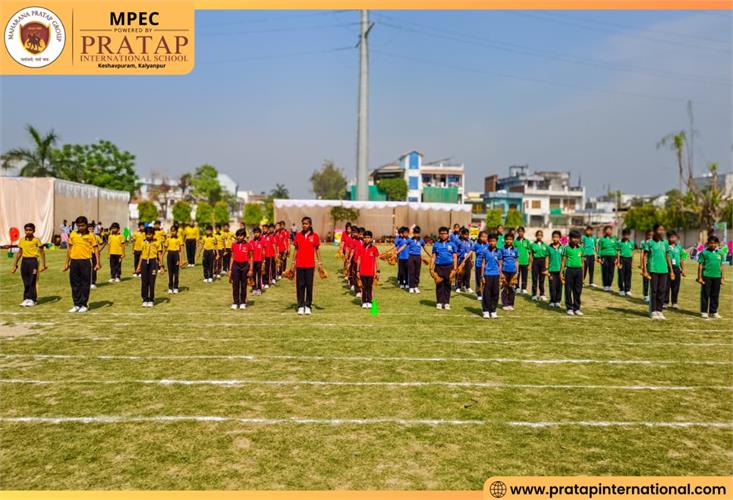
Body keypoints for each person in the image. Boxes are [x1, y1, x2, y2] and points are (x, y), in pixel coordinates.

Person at [62, 216, 100, 313]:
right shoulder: (73, 234)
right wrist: (67, 263)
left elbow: (96, 249)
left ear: (86, 225)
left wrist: (97, 263)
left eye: (82, 225)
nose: (80, 228)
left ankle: (84, 304)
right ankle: (76, 304)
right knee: (74, 284)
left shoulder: (91, 235)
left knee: (85, 284)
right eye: (78, 226)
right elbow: (69, 249)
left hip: (86, 262)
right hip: (74, 262)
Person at [11, 223, 47, 307]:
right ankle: (26, 298)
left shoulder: (36, 240)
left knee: (32, 281)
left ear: (33, 231)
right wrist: (15, 264)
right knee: (26, 281)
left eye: (30, 230)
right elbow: (19, 253)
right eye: (26, 230)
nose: (28, 232)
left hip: (33, 262)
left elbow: (42, 252)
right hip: (24, 262)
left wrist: (43, 264)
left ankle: (33, 299)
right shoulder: (22, 240)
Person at [642, 223, 673, 320]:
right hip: (653, 270)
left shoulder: (665, 243)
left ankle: (659, 311)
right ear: (655, 231)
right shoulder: (649, 242)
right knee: (654, 291)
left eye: (663, 230)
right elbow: (645, 256)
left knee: (662, 291)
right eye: (659, 229)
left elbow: (667, 256)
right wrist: (645, 270)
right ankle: (653, 311)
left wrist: (671, 270)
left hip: (664, 270)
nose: (661, 232)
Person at [293, 216, 321, 315]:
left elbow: (317, 249)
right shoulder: (298, 235)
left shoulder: (315, 236)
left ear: (310, 225)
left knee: (309, 286)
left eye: (306, 223)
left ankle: (308, 306)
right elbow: (296, 249)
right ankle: (301, 306)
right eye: (303, 223)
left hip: (310, 265)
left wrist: (320, 262)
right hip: (300, 264)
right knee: (300, 286)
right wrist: (293, 262)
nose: (304, 225)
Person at [135, 226, 163, 307]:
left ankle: (151, 299)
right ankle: (145, 299)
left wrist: (161, 266)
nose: (148, 236)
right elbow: (141, 255)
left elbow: (159, 254)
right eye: (147, 234)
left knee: (152, 281)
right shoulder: (143, 242)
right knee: (144, 281)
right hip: (144, 262)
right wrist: (139, 266)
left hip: (153, 262)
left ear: (153, 234)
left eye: (150, 234)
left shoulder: (157, 243)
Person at [697, 236, 724, 319]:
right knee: (705, 294)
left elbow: (721, 266)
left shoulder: (720, 253)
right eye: (711, 243)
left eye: (715, 243)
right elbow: (700, 265)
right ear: (708, 243)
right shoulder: (704, 253)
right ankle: (704, 312)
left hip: (717, 277)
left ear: (717, 244)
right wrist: (699, 277)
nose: (713, 245)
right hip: (707, 276)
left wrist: (722, 277)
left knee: (715, 295)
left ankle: (713, 312)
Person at [431, 227, 457, 310]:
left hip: (449, 267)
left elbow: (455, 256)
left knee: (448, 285)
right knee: (439, 285)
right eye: (441, 233)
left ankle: (446, 303)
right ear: (439, 234)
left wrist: (455, 268)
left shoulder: (452, 244)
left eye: (445, 233)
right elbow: (433, 256)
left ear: (448, 234)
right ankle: (439, 302)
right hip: (439, 267)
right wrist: (431, 267)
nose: (443, 235)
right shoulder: (436, 244)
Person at [561, 230, 584, 316]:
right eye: (574, 238)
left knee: (578, 290)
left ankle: (577, 308)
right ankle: (569, 308)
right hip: (569, 270)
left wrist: (583, 274)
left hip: (579, 271)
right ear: (570, 238)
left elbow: (582, 262)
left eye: (577, 238)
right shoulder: (566, 248)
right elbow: (563, 261)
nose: (576, 240)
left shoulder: (581, 248)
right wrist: (561, 273)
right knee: (568, 289)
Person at [479, 232, 502, 319]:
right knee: (486, 294)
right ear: (488, 241)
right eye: (490, 241)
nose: (492, 243)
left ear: (496, 242)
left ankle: (493, 311)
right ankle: (485, 311)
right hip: (487, 274)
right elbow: (483, 263)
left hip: (496, 275)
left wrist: (500, 276)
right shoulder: (485, 251)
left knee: (495, 293)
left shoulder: (499, 252)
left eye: (494, 241)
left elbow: (500, 265)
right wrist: (482, 276)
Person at [229, 228, 252, 310]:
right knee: (235, 285)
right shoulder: (234, 245)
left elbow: (250, 258)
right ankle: (235, 302)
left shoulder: (248, 245)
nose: (239, 237)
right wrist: (230, 269)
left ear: (244, 236)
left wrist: (251, 269)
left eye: (241, 235)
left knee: (243, 285)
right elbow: (232, 257)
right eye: (238, 235)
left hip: (245, 266)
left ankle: (242, 302)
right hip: (235, 265)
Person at [356, 230, 379, 309]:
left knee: (369, 287)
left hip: (371, 272)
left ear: (371, 238)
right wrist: (357, 270)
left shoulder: (374, 249)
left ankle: (369, 301)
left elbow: (376, 260)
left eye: (368, 237)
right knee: (363, 287)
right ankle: (364, 302)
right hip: (362, 272)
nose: (366, 239)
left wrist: (377, 271)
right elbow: (359, 259)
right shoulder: (360, 248)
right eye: (365, 237)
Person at [665, 230, 686, 309]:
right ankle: (665, 302)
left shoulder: (679, 247)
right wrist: (671, 271)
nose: (672, 239)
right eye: (670, 237)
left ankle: (674, 302)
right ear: (668, 238)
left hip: (677, 269)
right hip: (667, 268)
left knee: (676, 287)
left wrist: (683, 269)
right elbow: (667, 258)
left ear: (677, 238)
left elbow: (681, 259)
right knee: (666, 286)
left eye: (674, 237)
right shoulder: (666, 246)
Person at [163, 224, 185, 294]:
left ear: (176, 231)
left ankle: (176, 287)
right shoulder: (168, 239)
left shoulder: (179, 238)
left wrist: (182, 259)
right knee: (170, 272)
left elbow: (182, 249)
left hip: (176, 255)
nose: (173, 232)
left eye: (174, 231)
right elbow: (165, 248)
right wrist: (161, 257)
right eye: (172, 231)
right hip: (169, 255)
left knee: (176, 272)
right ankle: (170, 287)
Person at [500, 233, 518, 311]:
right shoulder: (502, 249)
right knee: (504, 287)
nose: (508, 241)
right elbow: (500, 261)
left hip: (513, 271)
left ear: (513, 240)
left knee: (512, 288)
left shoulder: (516, 249)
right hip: (504, 271)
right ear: (505, 240)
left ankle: (510, 304)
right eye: (507, 239)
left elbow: (517, 261)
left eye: (510, 239)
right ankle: (505, 304)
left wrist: (517, 272)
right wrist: (500, 272)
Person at [546, 230, 564, 308]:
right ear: (552, 238)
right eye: (554, 237)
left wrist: (563, 270)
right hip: (551, 271)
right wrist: (547, 268)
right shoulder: (549, 247)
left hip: (560, 271)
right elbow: (547, 258)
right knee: (552, 286)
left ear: (560, 238)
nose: (555, 238)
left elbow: (564, 259)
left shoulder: (563, 248)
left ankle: (558, 301)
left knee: (559, 287)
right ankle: (552, 301)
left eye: (557, 237)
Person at [529, 230, 549, 301]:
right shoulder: (532, 245)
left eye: (540, 235)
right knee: (534, 278)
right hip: (535, 261)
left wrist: (546, 265)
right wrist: (531, 263)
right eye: (538, 235)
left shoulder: (545, 245)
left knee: (542, 279)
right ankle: (534, 294)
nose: (539, 236)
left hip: (542, 261)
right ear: (536, 236)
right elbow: (530, 255)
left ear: (542, 236)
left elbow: (547, 256)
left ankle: (542, 294)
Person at [407, 226, 426, 294]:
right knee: (411, 272)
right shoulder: (410, 240)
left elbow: (425, 248)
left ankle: (416, 286)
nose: (416, 235)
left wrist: (431, 255)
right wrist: (397, 252)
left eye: (417, 233)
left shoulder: (421, 240)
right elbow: (404, 246)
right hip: (411, 257)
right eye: (415, 233)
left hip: (418, 257)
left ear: (419, 233)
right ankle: (411, 287)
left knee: (417, 272)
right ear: (413, 233)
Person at [598, 225, 617, 291]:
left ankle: (609, 285)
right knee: (605, 270)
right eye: (607, 230)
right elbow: (600, 248)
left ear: (611, 231)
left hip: (612, 256)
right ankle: (605, 285)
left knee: (611, 271)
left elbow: (616, 248)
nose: (608, 231)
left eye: (610, 230)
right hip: (604, 256)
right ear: (605, 231)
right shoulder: (602, 239)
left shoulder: (614, 239)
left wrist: (616, 258)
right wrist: (599, 257)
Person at [615, 229, 634, 296]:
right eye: (625, 234)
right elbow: (618, 252)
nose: (626, 236)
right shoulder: (619, 242)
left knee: (628, 274)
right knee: (621, 274)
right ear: (623, 235)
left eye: (628, 234)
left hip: (629, 259)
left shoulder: (631, 242)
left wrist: (632, 263)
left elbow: (632, 252)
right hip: (622, 259)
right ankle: (621, 289)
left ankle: (627, 289)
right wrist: (618, 261)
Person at [472, 231, 489, 301]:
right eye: (483, 236)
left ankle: (485, 293)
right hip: (478, 265)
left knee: (486, 280)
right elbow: (471, 252)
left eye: (486, 237)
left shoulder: (488, 245)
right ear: (479, 237)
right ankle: (479, 293)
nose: (484, 238)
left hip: (486, 266)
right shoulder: (476, 245)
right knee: (478, 280)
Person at [514, 226, 531, 294]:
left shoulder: (527, 241)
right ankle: (517, 287)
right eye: (519, 231)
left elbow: (530, 253)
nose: (520, 233)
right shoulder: (515, 242)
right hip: (517, 262)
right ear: (518, 232)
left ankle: (524, 288)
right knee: (517, 275)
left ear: (524, 232)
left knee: (524, 276)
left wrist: (529, 263)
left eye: (522, 231)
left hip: (525, 262)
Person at [640, 229, 653, 302]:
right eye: (649, 235)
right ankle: (646, 295)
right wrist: (642, 264)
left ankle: (651, 295)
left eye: (651, 235)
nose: (650, 236)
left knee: (652, 280)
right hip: (646, 263)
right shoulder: (643, 242)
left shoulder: (654, 242)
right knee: (645, 280)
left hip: (653, 264)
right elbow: (642, 254)